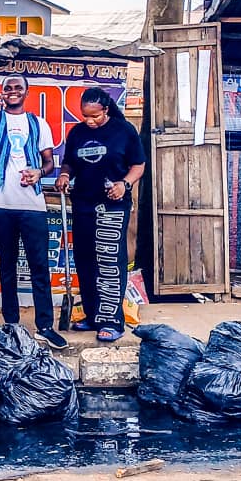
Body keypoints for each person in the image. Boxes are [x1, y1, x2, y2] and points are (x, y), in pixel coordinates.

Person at [0, 75, 67, 349]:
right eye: (8, 88)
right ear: (2, 92)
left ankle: (45, 326)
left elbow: (49, 163)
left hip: (32, 205)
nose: (12, 92)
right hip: (1, 205)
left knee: (39, 266)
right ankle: (11, 324)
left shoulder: (38, 124)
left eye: (18, 88)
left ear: (26, 92)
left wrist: (39, 173)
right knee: (8, 267)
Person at [55, 87, 146, 343]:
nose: (89, 121)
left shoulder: (124, 130)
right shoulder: (78, 132)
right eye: (85, 115)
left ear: (106, 110)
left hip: (112, 207)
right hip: (83, 205)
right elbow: (69, 162)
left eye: (94, 116)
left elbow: (138, 165)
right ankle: (93, 315)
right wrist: (64, 175)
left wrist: (124, 184)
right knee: (85, 261)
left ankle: (111, 320)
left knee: (110, 262)